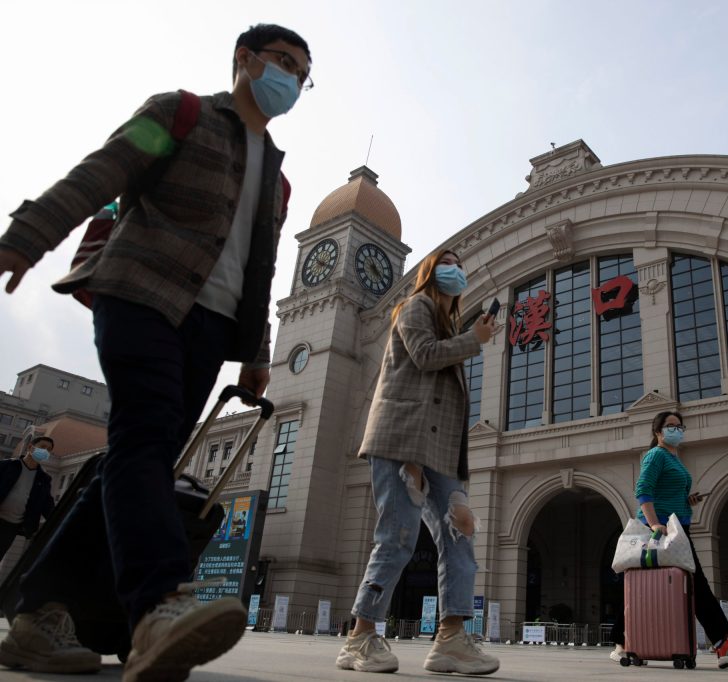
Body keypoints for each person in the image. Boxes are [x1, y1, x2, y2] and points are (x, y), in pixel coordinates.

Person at [0, 24, 312, 680]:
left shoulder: (278, 181)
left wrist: (257, 354)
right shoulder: (180, 113)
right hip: (141, 295)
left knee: (136, 457)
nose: (290, 80)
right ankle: (159, 605)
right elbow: (103, 171)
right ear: (245, 59)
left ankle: (42, 614)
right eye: (283, 62)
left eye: (301, 75)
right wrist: (28, 233)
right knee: (143, 441)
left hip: (211, 327)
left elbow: (262, 269)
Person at [337, 249, 500, 675]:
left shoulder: (449, 325)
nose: (457, 269)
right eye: (448, 262)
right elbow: (425, 355)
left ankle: (451, 640)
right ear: (430, 272)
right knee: (398, 535)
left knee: (461, 531)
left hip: (441, 451)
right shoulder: (414, 308)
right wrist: (474, 341)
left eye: (462, 264)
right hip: (401, 438)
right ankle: (360, 635)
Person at [610, 411, 728, 669]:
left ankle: (620, 642)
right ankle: (723, 644)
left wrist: (687, 500)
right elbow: (643, 490)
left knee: (639, 585)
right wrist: (655, 523)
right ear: (657, 432)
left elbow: (666, 490)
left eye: (679, 426)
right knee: (695, 584)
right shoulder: (656, 455)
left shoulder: (673, 458)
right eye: (670, 426)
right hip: (659, 529)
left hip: (675, 527)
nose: (676, 430)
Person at [0, 437, 56, 562]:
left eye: (49, 450)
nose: (45, 451)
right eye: (42, 447)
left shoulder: (43, 478)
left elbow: (47, 505)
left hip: (11, 527)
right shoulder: (7, 466)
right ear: (30, 447)